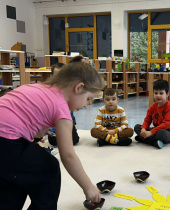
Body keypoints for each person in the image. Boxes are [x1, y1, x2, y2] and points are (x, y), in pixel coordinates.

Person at [0, 61, 102, 209]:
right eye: (88, 99)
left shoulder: (36, 87)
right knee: (48, 168)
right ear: (78, 88)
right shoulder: (62, 110)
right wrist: (88, 187)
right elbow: (68, 155)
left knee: (16, 177)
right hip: (6, 141)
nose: (88, 104)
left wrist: (34, 132)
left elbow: (17, 110)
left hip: (6, 141)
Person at [134, 79, 170, 149]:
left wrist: (151, 132)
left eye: (161, 93)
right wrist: (144, 129)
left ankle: (145, 139)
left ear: (167, 94)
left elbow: (166, 124)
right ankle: (154, 141)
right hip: (156, 129)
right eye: (156, 93)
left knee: (161, 133)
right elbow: (147, 119)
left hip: (168, 133)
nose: (158, 96)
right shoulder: (153, 106)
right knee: (137, 127)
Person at [48, 62, 80, 146]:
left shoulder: (69, 91)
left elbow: (71, 110)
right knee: (53, 141)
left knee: (75, 140)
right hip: (54, 124)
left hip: (67, 123)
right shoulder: (49, 92)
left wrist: (73, 122)